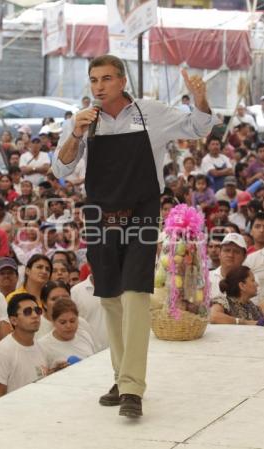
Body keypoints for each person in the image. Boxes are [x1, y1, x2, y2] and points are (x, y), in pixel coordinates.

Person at [51, 54, 217, 418]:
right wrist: (76, 133)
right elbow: (61, 168)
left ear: (122, 81)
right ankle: (121, 376)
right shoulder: (82, 122)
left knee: (137, 294)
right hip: (97, 214)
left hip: (142, 211)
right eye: (93, 80)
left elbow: (199, 126)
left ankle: (132, 389)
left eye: (106, 79)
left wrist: (201, 98)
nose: (98, 87)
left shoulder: (149, 112)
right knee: (110, 297)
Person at [0, 293, 48, 398]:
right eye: (27, 312)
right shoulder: (3, 351)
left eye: (37, 310)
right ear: (13, 320)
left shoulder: (39, 346)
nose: (35, 315)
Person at [38, 298, 95, 370]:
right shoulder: (43, 346)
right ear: (53, 322)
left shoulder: (84, 335)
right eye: (63, 322)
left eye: (72, 321)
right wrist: (54, 372)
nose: (68, 326)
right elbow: (40, 376)